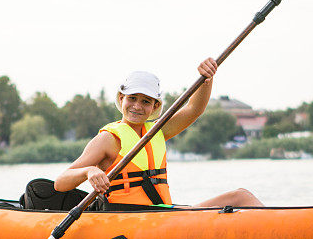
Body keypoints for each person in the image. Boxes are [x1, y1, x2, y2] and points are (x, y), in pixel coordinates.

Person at [54, 58, 264, 207]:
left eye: (145, 101)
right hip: (126, 220)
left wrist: (206, 80)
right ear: (121, 100)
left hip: (161, 215)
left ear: (154, 107)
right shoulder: (107, 139)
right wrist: (89, 171)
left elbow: (194, 109)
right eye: (132, 98)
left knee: (241, 197)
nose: (137, 106)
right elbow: (60, 182)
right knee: (240, 197)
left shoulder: (157, 132)